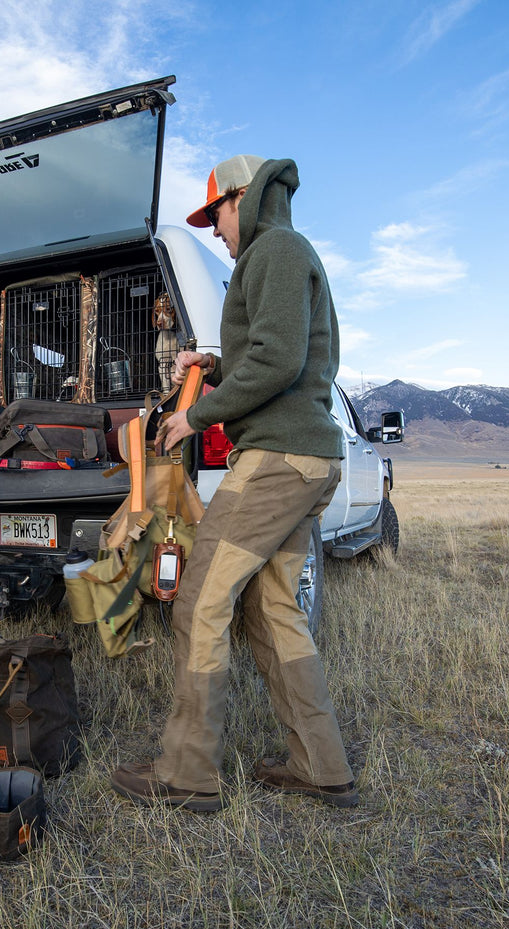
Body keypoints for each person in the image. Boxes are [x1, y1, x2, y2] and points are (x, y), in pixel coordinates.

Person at [110, 155, 358, 811]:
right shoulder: (280, 254)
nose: (215, 230)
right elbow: (278, 356)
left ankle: (185, 774)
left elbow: (276, 362)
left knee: (199, 601)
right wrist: (212, 366)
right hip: (303, 458)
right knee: (274, 610)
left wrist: (194, 414)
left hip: (275, 460)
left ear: (243, 199)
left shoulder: (272, 249)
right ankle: (319, 766)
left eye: (215, 213)